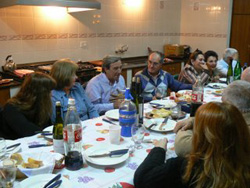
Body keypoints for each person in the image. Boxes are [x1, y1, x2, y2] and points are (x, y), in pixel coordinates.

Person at [134, 102, 250, 188]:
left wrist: (158, 149)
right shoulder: (243, 165)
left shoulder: (189, 168)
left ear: (202, 137)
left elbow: (142, 178)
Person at [174, 80, 250, 157]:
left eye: (223, 103)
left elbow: (182, 146)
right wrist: (194, 120)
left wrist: (191, 123)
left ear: (231, 107)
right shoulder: (242, 119)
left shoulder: (234, 129)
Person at [0, 73, 56, 139]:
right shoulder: (11, 108)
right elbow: (29, 131)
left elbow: (48, 128)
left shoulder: (40, 105)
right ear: (40, 93)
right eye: (49, 91)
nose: (52, 94)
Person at [50, 58, 99, 123]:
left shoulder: (77, 87)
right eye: (73, 75)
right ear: (64, 76)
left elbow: (91, 109)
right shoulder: (54, 96)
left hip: (88, 125)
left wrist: (97, 123)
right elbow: (58, 123)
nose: (76, 77)